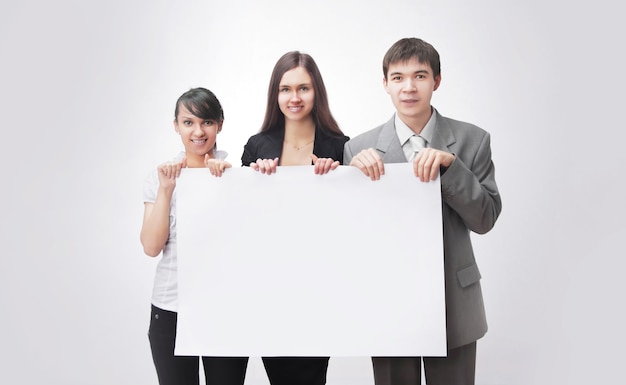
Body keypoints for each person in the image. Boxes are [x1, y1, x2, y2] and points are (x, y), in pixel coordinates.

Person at [344, 38, 502, 385]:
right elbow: (351, 238)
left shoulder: (472, 140)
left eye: (420, 76)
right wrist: (352, 183)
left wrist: (452, 168)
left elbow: (485, 218)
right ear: (385, 84)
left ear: (437, 81)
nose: (409, 87)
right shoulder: (358, 147)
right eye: (398, 78)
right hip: (389, 299)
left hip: (453, 302)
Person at [239, 51, 349, 385]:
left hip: (319, 287)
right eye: (285, 89)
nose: (294, 97)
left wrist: (339, 176)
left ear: (317, 93)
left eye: (304, 88)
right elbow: (240, 221)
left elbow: (351, 221)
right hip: (269, 285)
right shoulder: (256, 147)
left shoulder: (339, 145)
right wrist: (254, 180)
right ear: (275, 95)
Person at [140, 87, 248, 385]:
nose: (198, 131)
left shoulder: (238, 176)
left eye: (207, 122)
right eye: (188, 122)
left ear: (220, 125)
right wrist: (166, 189)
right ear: (176, 126)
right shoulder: (161, 177)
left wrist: (227, 186)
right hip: (172, 308)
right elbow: (151, 246)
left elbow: (244, 246)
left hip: (223, 307)